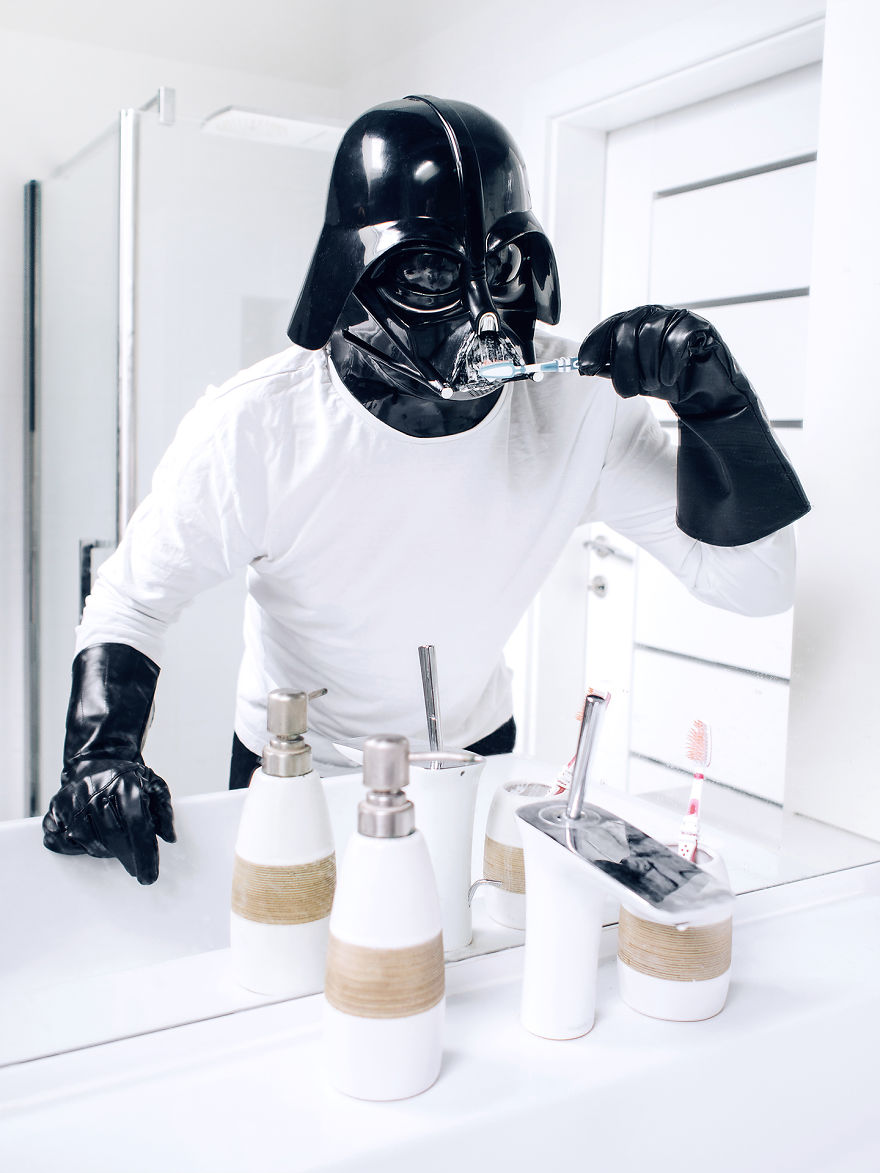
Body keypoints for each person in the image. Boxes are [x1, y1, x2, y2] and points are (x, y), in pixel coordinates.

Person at [42, 95, 809, 884]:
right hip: (299, 763)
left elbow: (755, 583)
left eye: (500, 270)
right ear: (348, 273)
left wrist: (719, 408)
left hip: (471, 752)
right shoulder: (259, 425)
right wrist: (102, 750)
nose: (482, 317)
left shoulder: (580, 407)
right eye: (433, 270)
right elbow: (133, 601)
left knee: (471, 946)